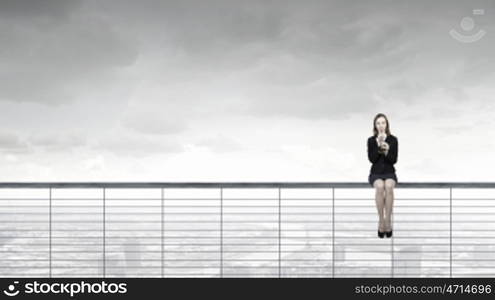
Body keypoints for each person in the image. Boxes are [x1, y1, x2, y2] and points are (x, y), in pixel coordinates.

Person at [367, 113, 398, 238]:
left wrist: (386, 149)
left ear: (387, 124)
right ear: (375, 125)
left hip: (389, 171)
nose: (381, 125)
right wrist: (379, 145)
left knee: (389, 186)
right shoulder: (370, 140)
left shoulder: (393, 139)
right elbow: (372, 159)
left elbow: (393, 159)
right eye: (378, 123)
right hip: (376, 172)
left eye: (383, 122)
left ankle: (388, 221)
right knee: (380, 186)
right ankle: (381, 221)